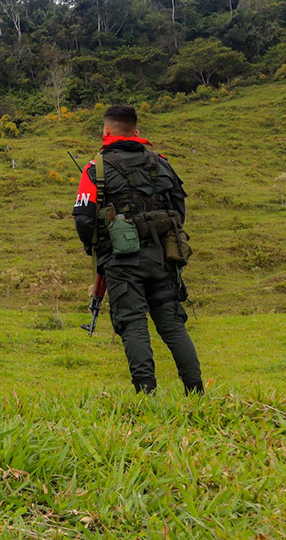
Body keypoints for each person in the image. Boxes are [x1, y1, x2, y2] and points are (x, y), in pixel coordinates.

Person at [73, 105, 203, 395]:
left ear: (105, 131)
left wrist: (95, 249)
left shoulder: (96, 168)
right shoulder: (163, 163)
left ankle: (147, 395)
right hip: (163, 257)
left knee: (132, 323)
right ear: (137, 131)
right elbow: (179, 210)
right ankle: (196, 392)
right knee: (172, 324)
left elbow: (83, 218)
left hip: (121, 260)